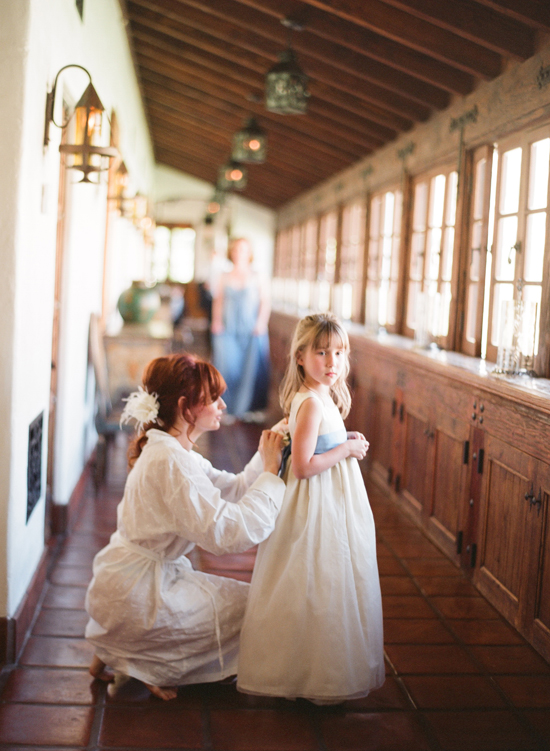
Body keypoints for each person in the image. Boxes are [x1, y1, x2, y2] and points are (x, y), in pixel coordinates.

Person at [85, 353, 285, 701]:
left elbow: (235, 488)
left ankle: (128, 647)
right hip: (140, 596)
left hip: (131, 581)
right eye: (212, 399)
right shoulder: (170, 461)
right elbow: (226, 532)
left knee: (246, 604)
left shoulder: (173, 449)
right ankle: (146, 656)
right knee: (258, 609)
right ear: (185, 406)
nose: (223, 405)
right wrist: (270, 472)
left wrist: (269, 447)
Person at [237, 313, 385, 704]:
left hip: (331, 498)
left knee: (326, 579)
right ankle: (311, 674)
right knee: (315, 578)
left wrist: (343, 438)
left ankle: (319, 669)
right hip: (316, 504)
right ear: (300, 356)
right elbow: (303, 467)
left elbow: (317, 445)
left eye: (338, 353)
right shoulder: (311, 404)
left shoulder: (322, 397)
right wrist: (348, 449)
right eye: (322, 353)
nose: (332, 362)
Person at [211, 237, 270, 422]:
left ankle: (249, 409)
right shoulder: (224, 275)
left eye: (243, 250)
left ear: (249, 253)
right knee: (227, 367)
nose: (239, 253)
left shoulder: (258, 275)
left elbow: (265, 301)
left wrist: (261, 323)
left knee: (252, 369)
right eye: (236, 250)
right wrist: (216, 322)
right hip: (228, 329)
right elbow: (219, 300)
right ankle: (227, 408)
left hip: (251, 329)